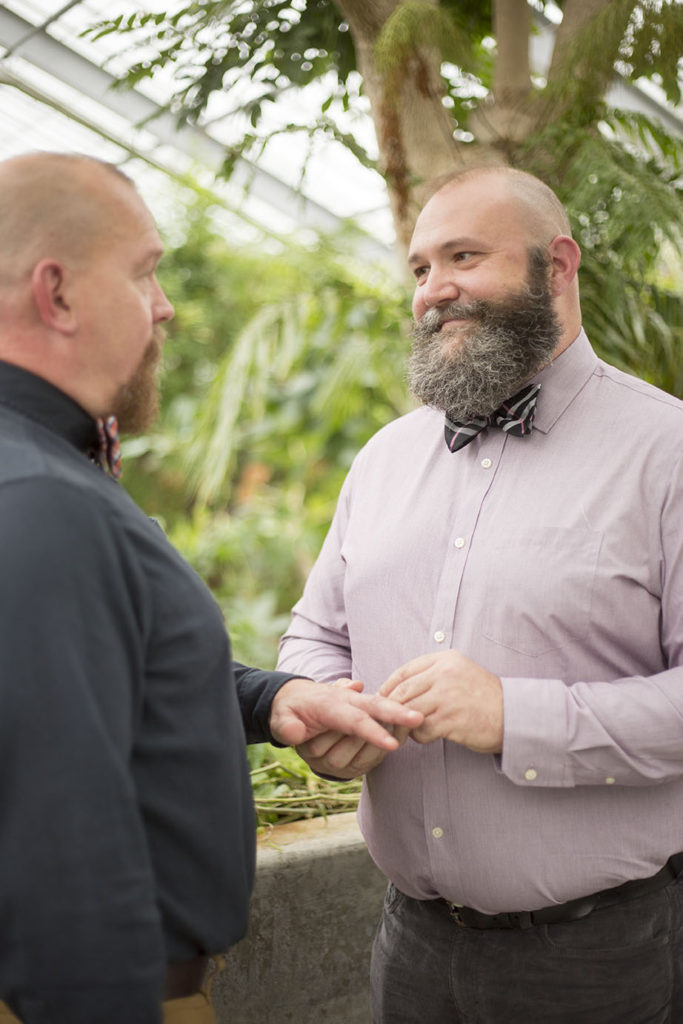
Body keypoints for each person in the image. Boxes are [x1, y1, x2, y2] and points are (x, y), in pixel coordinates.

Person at [0, 151, 423, 1024]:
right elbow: (58, 840)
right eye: (145, 272)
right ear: (59, 292)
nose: (164, 306)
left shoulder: (40, 470)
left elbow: (77, 682)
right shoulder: (40, 499)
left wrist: (271, 701)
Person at [277, 165, 683, 1023]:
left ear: (556, 266)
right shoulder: (383, 458)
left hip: (597, 960)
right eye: (421, 268)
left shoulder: (667, 454)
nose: (434, 290)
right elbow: (315, 633)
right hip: (409, 947)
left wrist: (514, 716)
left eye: (463, 256)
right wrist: (319, 706)